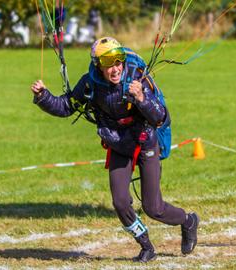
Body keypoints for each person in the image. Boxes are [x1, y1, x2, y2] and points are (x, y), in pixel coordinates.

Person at [30, 37, 199, 262]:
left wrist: (141, 98)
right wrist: (43, 97)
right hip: (119, 145)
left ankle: (188, 221)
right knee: (120, 202)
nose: (116, 67)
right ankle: (146, 246)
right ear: (98, 64)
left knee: (153, 208)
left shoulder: (138, 78)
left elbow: (161, 117)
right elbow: (65, 106)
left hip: (145, 141)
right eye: (109, 62)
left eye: (119, 60)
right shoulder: (90, 84)